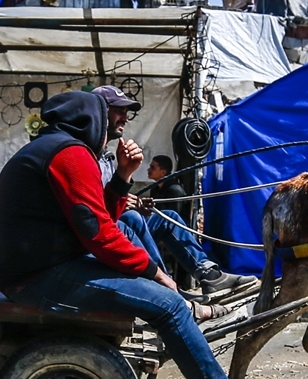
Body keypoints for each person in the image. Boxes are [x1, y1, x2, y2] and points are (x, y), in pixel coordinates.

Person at [0, 91, 291, 379]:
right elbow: (99, 234)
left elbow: (105, 217)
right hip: (38, 276)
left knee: (156, 281)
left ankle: (193, 331)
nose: (119, 123)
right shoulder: (68, 154)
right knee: (170, 306)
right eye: (112, 115)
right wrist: (157, 274)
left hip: (42, 266)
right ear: (92, 118)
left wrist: (122, 177)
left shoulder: (61, 149)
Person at [91, 86, 258, 302]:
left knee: (169, 219)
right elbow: (93, 211)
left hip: (118, 224)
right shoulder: (87, 155)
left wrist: (132, 201)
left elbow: (110, 198)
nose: (125, 118)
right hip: (104, 235)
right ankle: (167, 288)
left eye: (126, 112)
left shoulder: (107, 158)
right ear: (100, 112)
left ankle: (209, 276)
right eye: (119, 111)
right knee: (131, 218)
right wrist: (125, 203)